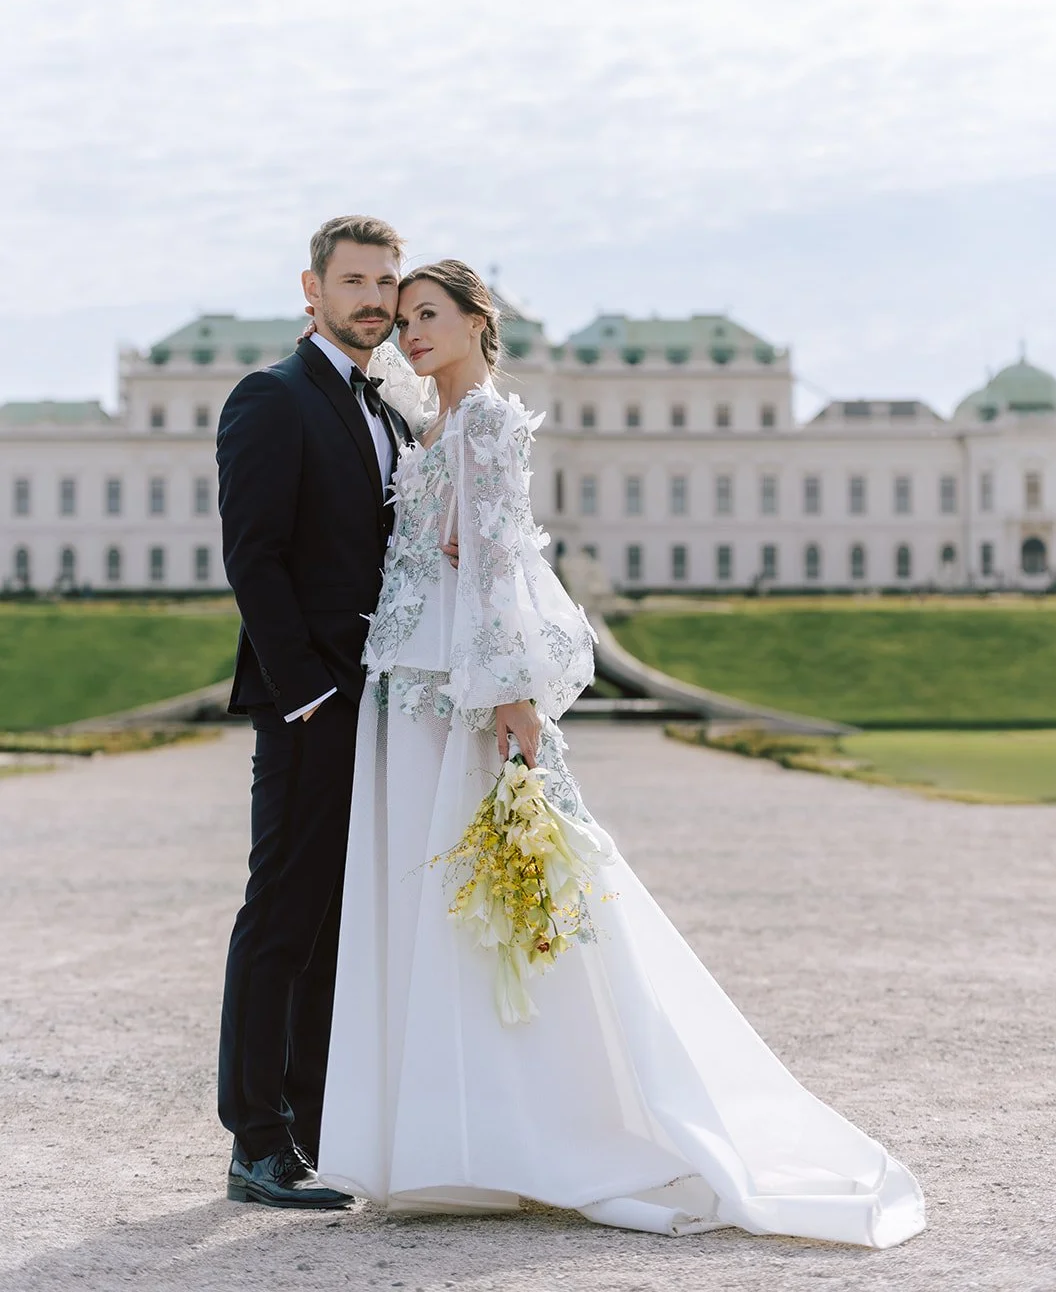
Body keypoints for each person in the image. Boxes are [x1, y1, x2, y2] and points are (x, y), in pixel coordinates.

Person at [315, 260, 926, 1246]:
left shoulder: (486, 421)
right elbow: (457, 551)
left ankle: (529, 1131)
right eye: (405, 317)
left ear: (482, 322)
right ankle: (447, 1140)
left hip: (462, 693)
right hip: (413, 687)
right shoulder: (427, 421)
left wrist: (510, 692)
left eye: (431, 315)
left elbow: (506, 560)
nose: (410, 329)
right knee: (438, 908)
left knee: (498, 909)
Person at [216, 214, 418, 1209]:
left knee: (337, 923)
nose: (373, 297)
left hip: (375, 703)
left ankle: (308, 1127)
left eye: (385, 280)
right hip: (310, 703)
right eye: (354, 280)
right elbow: (252, 554)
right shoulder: (273, 396)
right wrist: (304, 694)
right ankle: (256, 1142)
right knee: (283, 916)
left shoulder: (386, 413)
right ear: (313, 289)